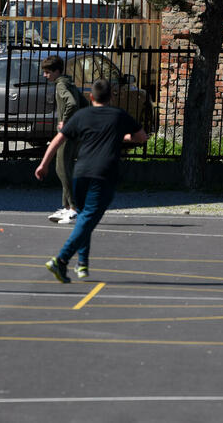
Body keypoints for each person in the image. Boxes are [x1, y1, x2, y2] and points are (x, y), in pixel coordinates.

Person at [35, 78, 148, 282]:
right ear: (112, 96)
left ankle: (82, 263)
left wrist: (43, 164)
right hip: (103, 174)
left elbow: (59, 139)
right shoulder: (118, 115)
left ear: (91, 96)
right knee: (87, 219)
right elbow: (141, 136)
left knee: (84, 217)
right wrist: (123, 137)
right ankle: (61, 260)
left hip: (80, 173)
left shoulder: (82, 115)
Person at [41, 55, 85, 225]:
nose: (45, 75)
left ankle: (73, 208)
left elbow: (73, 103)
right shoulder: (69, 83)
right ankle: (67, 207)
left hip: (67, 133)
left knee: (62, 168)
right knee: (64, 167)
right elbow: (83, 103)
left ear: (57, 71)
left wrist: (65, 121)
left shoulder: (61, 85)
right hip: (74, 131)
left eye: (47, 72)